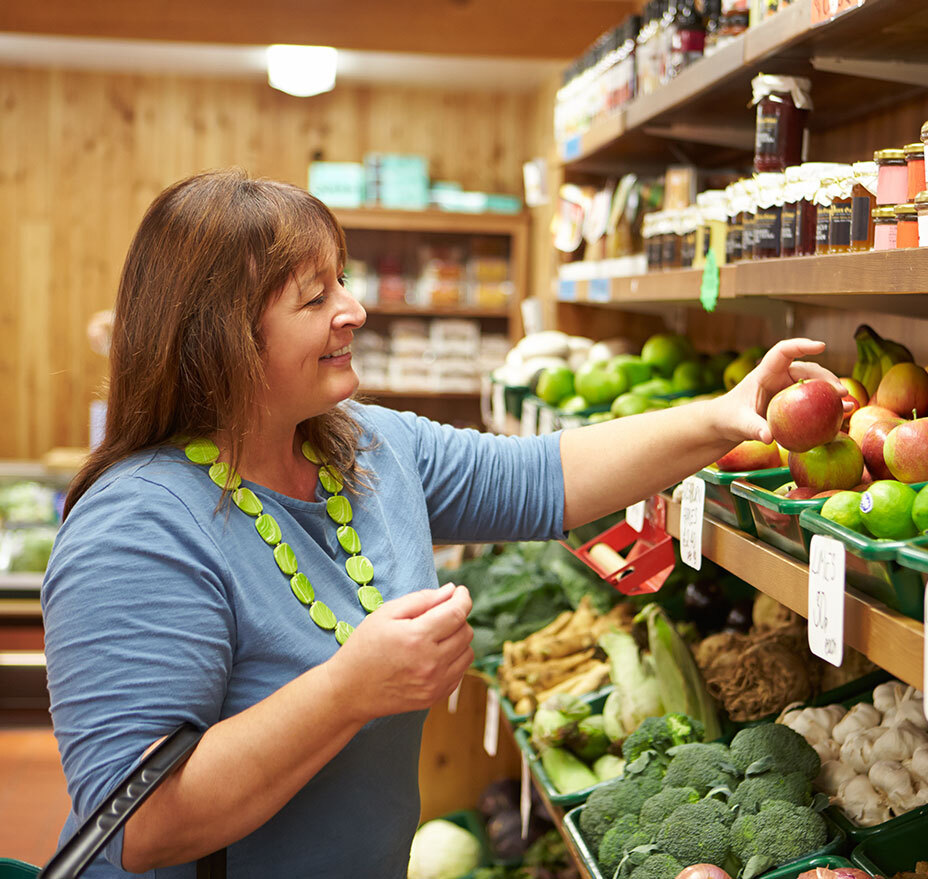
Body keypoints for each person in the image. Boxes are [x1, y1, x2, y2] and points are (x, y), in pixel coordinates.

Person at [42, 168, 846, 878]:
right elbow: (137, 823)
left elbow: (546, 475)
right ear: (219, 337)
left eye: (343, 281)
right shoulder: (138, 526)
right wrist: (350, 689)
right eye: (316, 298)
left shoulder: (366, 448)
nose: (355, 310)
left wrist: (720, 417)